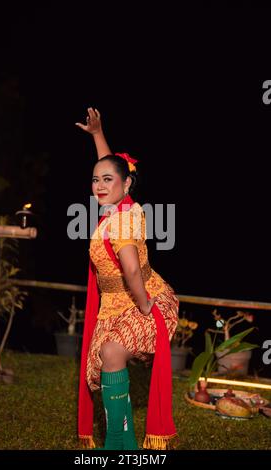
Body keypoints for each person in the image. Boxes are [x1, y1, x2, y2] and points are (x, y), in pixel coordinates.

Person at [76, 108, 179, 450]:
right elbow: (113, 167)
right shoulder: (121, 207)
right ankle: (122, 439)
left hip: (145, 300)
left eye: (108, 180)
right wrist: (97, 134)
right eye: (95, 179)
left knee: (111, 351)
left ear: (127, 184)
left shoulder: (122, 219)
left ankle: (120, 445)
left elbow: (132, 270)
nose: (100, 185)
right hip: (113, 307)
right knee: (100, 364)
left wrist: (145, 304)